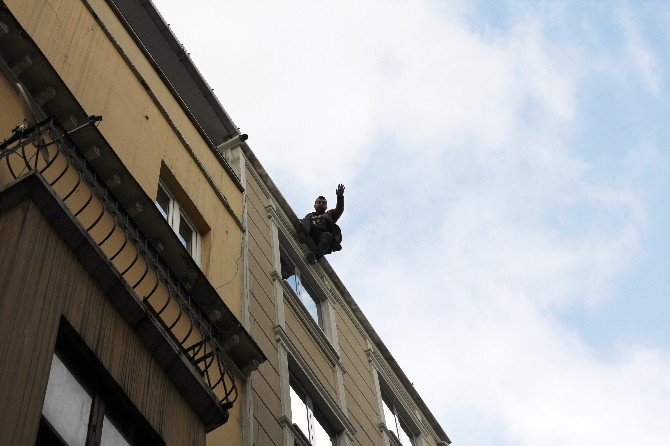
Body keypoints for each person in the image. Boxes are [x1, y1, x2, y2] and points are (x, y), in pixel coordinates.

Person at [298, 184, 345, 264]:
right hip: (312, 232)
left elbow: (339, 209)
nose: (321, 204)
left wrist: (340, 197)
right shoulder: (310, 215)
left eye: (323, 203)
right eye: (319, 202)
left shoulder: (330, 214)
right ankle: (302, 234)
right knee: (306, 219)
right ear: (315, 205)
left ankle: (315, 257)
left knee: (328, 235)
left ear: (326, 206)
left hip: (322, 237)